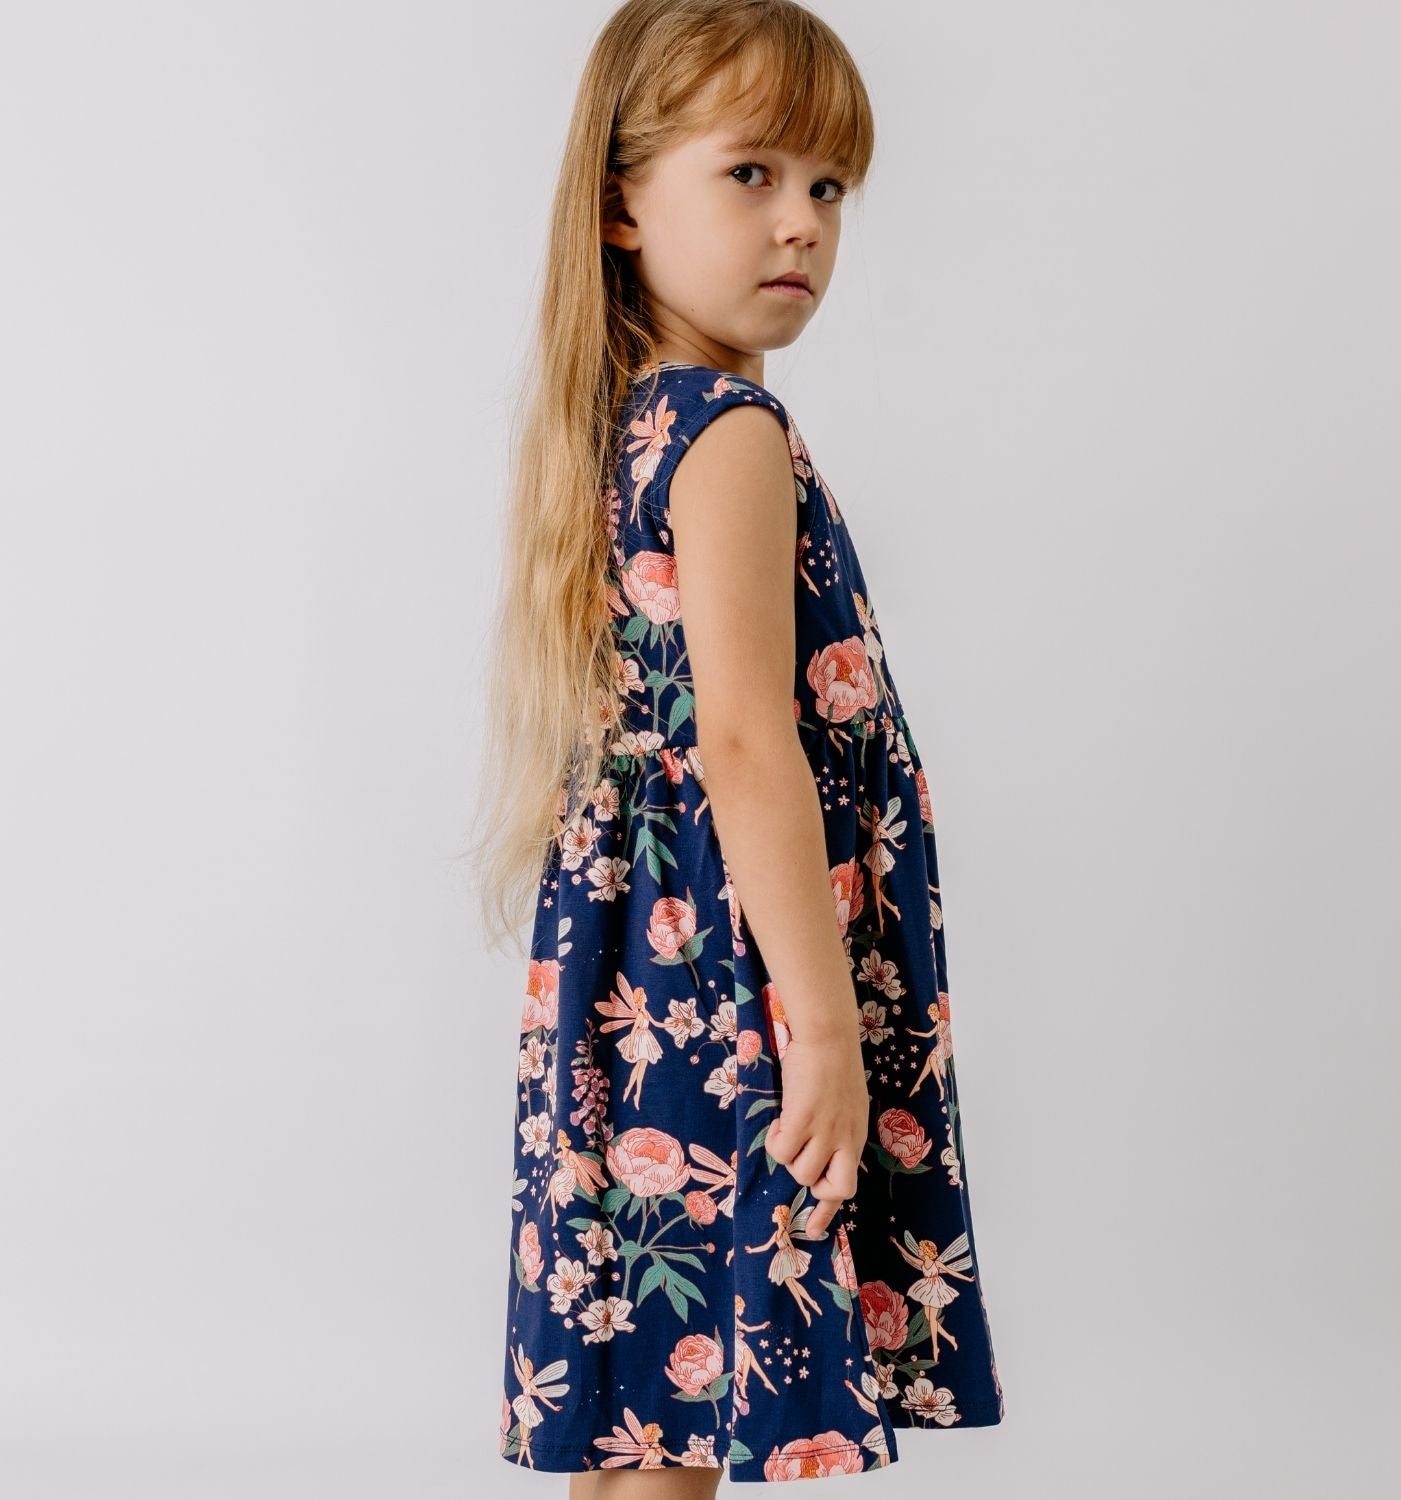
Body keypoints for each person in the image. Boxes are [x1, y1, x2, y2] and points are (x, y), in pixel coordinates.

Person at [468, 0, 1006, 1489]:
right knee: (696, 1398)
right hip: (736, 977)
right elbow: (748, 742)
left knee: (651, 1400)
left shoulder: (629, 419)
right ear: (621, 205)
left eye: (828, 186)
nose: (802, 224)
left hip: (640, 964)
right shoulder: (729, 433)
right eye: (751, 173)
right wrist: (822, 1034)